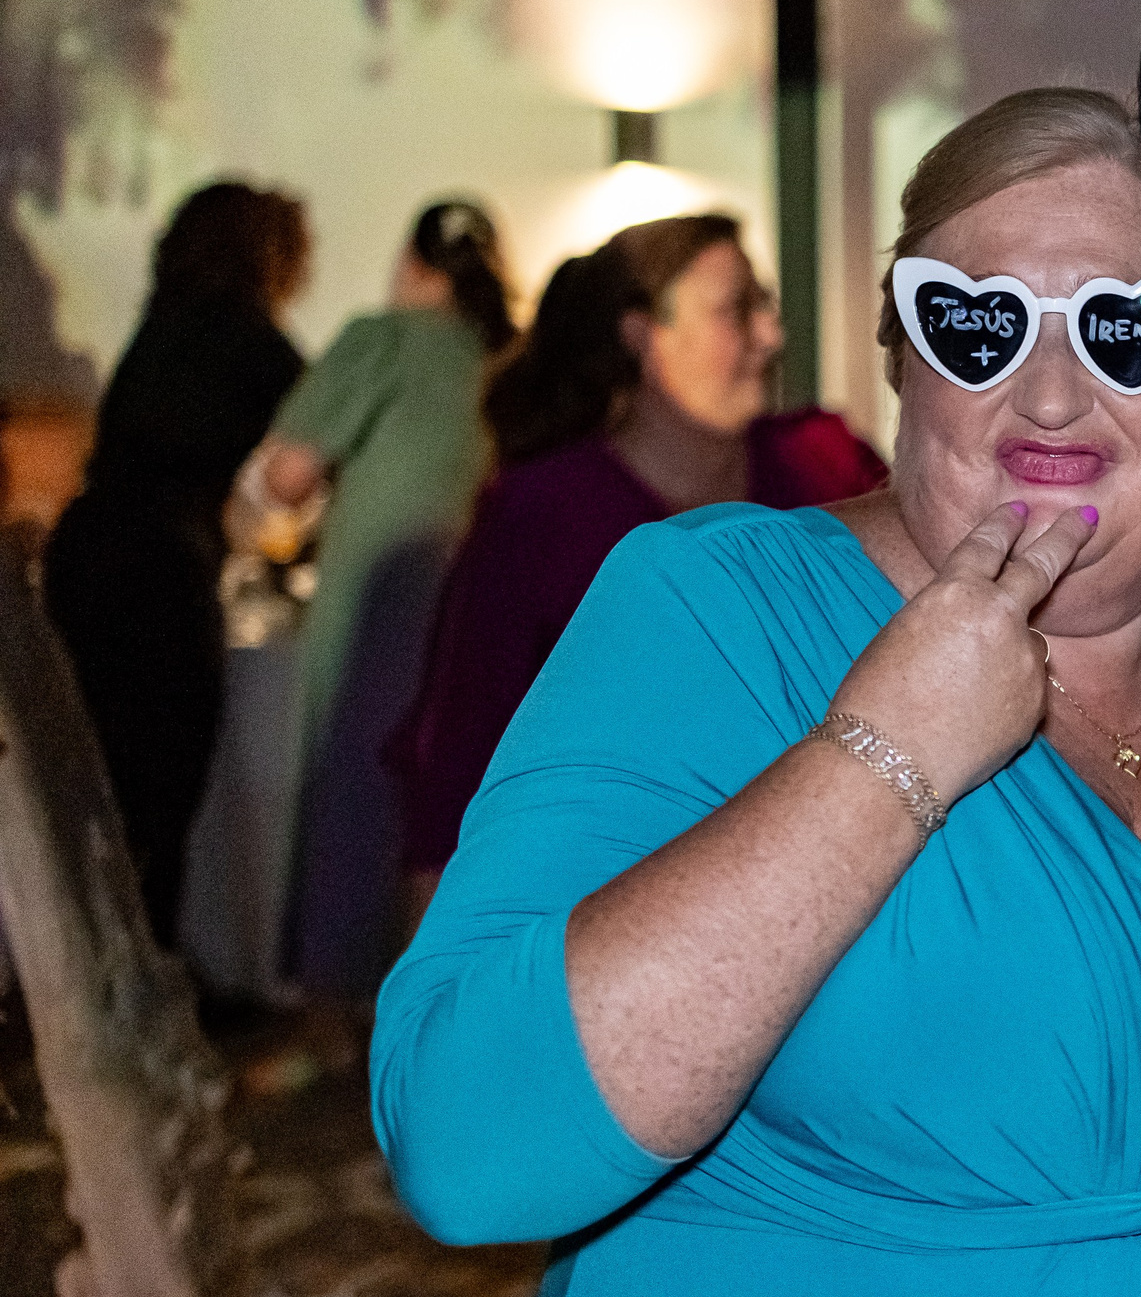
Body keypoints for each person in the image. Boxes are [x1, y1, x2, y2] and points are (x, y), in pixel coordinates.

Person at [371, 90, 1141, 1297]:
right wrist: (885, 757)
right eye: (977, 325)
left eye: (1128, 327)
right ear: (904, 369)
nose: (1048, 391)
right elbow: (470, 1142)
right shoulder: (721, 610)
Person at [388, 214, 885, 918]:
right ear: (643, 335)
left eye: (765, 305)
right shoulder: (543, 511)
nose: (771, 336)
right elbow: (463, 744)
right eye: (736, 310)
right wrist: (442, 937)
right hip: (617, 897)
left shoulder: (824, 462)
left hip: (848, 875)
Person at [235, 200, 517, 1002]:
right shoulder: (505, 359)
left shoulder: (381, 340)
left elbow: (286, 476)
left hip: (380, 608)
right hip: (479, 612)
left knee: (355, 782)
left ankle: (344, 996)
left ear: (413, 264)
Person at [43, 181, 309, 945]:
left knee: (99, 776)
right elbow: (320, 425)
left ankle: (100, 957)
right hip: (160, 568)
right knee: (163, 781)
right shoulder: (244, 336)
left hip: (87, 552)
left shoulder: (159, 330)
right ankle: (145, 961)